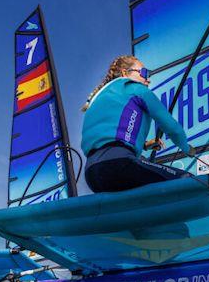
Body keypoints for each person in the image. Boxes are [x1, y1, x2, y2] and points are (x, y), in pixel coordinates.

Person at [81, 55, 194, 193]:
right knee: (189, 181)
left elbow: (108, 135)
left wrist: (145, 145)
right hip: (119, 164)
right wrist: (187, 149)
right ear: (124, 72)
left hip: (92, 175)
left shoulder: (97, 98)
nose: (148, 78)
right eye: (144, 72)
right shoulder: (136, 89)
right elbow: (172, 128)